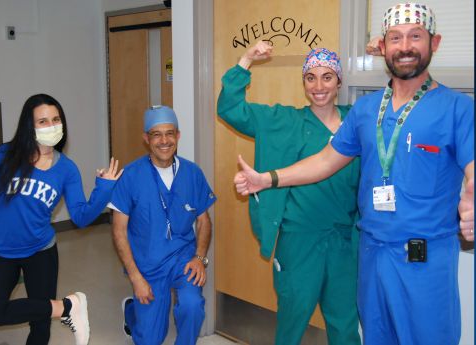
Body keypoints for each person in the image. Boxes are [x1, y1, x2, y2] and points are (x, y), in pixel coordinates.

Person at [234, 3, 474, 345]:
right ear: (385, 47)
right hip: (372, 253)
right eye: (395, 38)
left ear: (434, 43)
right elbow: (325, 161)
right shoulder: (364, 111)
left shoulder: (458, 109)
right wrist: (268, 179)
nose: (405, 46)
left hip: (423, 258)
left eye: (415, 37)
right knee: (374, 335)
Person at [217, 43, 361, 345]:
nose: (318, 86)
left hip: (345, 242)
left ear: (339, 82)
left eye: (327, 77)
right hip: (299, 241)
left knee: (345, 324)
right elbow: (230, 109)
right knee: (292, 322)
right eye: (310, 77)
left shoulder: (357, 122)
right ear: (303, 83)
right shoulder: (284, 121)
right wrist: (245, 62)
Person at [0, 93, 123, 345]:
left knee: (40, 327)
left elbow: (81, 217)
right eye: (43, 121)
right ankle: (68, 307)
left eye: (56, 119)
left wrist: (104, 189)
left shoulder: (66, 169)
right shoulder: (5, 155)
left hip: (40, 251)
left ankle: (63, 309)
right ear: (29, 125)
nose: (52, 126)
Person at [110, 105, 216, 345]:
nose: (164, 141)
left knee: (192, 306)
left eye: (170, 133)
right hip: (147, 264)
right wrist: (136, 278)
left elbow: (203, 220)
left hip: (183, 259)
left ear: (178, 136)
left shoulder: (192, 173)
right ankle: (132, 311)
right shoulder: (131, 176)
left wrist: (199, 257)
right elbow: (118, 231)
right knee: (150, 339)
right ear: (146, 139)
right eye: (156, 134)